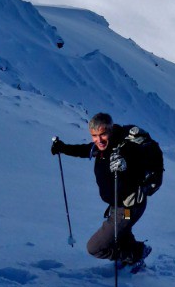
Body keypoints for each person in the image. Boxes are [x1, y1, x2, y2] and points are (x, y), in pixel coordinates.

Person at [51, 112, 163, 266]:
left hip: (128, 209)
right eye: (94, 135)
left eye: (102, 134)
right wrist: (63, 148)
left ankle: (135, 254)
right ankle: (133, 257)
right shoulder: (103, 148)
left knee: (96, 247)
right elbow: (85, 150)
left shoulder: (126, 148)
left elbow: (136, 161)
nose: (98, 140)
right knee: (122, 233)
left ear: (110, 130)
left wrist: (125, 165)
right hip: (117, 206)